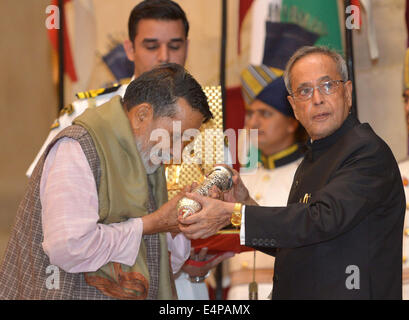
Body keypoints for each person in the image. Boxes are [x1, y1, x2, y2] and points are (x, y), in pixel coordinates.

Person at [25, 0, 230, 299]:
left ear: (187, 46)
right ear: (130, 48)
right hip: (82, 284)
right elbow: (56, 225)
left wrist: (191, 241)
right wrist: (154, 224)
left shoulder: (201, 115)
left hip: (174, 284)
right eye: (151, 45)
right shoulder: (85, 118)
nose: (164, 57)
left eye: (174, 46)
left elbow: (210, 213)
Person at [180, 46, 406, 299]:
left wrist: (233, 214)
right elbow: (299, 240)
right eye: (305, 91)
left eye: (328, 85)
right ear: (294, 106)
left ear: (348, 92)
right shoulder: (314, 156)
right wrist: (244, 204)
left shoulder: (365, 150)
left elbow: (321, 219)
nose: (317, 99)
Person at [0, 63, 213, 299]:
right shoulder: (78, 147)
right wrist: (153, 223)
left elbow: (160, 265)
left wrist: (180, 220)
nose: (176, 154)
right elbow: (68, 249)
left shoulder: (145, 159)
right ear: (142, 115)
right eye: (175, 138)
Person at [228, 74, 307, 300]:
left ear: (292, 122)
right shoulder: (245, 177)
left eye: (265, 114)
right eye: (250, 113)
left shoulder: (307, 175)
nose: (253, 123)